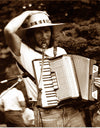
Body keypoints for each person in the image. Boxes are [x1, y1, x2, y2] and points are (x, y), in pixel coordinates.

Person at [4, 10, 87, 127]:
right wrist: (28, 12)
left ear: (51, 32)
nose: (44, 36)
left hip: (72, 112)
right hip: (47, 115)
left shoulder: (60, 51)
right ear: (31, 34)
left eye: (46, 31)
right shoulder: (22, 52)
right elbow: (9, 30)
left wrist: (90, 83)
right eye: (39, 32)